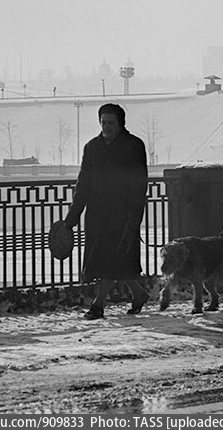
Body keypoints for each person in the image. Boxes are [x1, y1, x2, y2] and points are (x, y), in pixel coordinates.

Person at [64, 103, 149, 319]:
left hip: (123, 214)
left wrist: (134, 216)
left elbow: (139, 183)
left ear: (120, 123)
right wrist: (73, 216)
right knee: (109, 261)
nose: (106, 126)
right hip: (97, 215)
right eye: (103, 122)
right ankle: (138, 294)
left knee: (114, 258)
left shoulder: (133, 146)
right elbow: (83, 183)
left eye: (111, 122)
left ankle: (98, 305)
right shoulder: (92, 147)